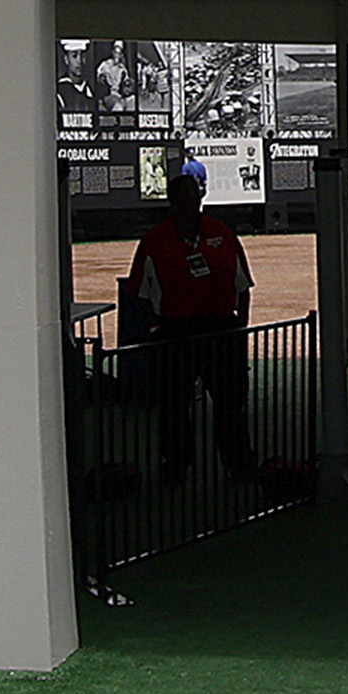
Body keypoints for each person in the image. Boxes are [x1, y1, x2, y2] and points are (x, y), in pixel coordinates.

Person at [121, 158, 264, 481]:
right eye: (182, 198)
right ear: (173, 202)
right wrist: (157, 328)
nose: (189, 203)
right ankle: (175, 466)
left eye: (192, 196)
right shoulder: (154, 240)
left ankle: (239, 465)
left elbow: (243, 285)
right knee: (173, 408)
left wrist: (239, 328)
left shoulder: (221, 234)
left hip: (221, 330)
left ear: (200, 198)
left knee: (230, 406)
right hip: (175, 332)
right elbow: (140, 293)